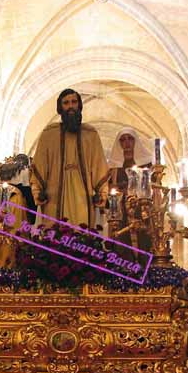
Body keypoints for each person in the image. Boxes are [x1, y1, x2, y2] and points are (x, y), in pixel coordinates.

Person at [29, 88, 108, 228]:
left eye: (74, 102)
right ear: (60, 108)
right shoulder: (49, 134)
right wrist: (38, 192)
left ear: (79, 105)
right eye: (66, 103)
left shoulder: (91, 135)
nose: (70, 106)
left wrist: (101, 194)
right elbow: (39, 167)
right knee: (55, 239)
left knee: (81, 233)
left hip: (83, 198)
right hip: (54, 197)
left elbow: (99, 166)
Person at [108, 127, 153, 257]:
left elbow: (153, 187)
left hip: (142, 209)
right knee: (122, 245)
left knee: (144, 243)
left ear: (135, 142)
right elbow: (109, 191)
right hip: (121, 212)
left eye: (130, 139)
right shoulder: (114, 168)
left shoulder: (146, 164)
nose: (126, 143)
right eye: (122, 140)